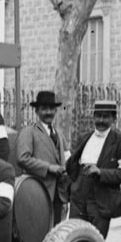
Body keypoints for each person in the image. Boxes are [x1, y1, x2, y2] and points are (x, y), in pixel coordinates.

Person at [66, 99, 121, 238]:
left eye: (106, 116)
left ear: (114, 118)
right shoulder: (83, 138)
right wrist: (73, 187)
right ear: (93, 117)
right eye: (98, 116)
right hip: (78, 198)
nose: (101, 120)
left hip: (101, 201)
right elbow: (72, 165)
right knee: (73, 240)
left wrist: (101, 172)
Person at [15, 90, 71, 225]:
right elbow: (22, 158)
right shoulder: (29, 132)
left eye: (51, 109)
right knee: (39, 230)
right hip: (38, 191)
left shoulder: (59, 133)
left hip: (60, 194)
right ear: (36, 112)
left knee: (58, 233)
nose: (48, 112)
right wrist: (49, 168)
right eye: (44, 109)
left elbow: (67, 157)